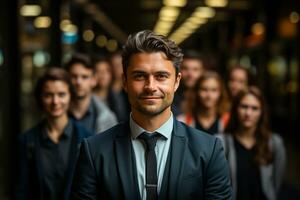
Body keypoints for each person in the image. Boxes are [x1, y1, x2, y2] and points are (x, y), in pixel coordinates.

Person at [71, 30, 232, 200]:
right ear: (125, 82)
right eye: (140, 76)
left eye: (161, 76)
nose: (150, 86)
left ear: (176, 82)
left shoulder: (209, 150)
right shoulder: (94, 151)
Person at [15, 68, 92, 200]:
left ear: (70, 96)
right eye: (48, 95)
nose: (55, 101)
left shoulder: (87, 138)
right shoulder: (27, 141)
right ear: (40, 98)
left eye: (61, 94)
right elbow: (21, 191)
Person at [217, 87, 286, 200]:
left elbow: (276, 183)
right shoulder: (221, 142)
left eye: (255, 108)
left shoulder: (274, 143)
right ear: (235, 109)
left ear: (262, 112)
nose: (248, 113)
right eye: (244, 106)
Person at [65, 53, 117, 134]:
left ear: (94, 80)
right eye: (74, 76)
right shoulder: (56, 111)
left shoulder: (107, 117)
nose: (79, 82)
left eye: (84, 77)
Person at [172, 50, 205, 116]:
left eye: (195, 69)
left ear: (202, 72)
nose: (190, 74)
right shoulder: (171, 96)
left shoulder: (209, 98)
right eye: (185, 68)